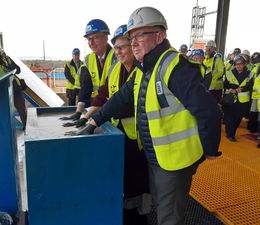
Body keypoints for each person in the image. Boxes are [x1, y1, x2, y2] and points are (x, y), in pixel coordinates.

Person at [73, 6, 221, 225]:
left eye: (140, 35)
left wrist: (209, 149)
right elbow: (120, 98)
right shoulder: (144, 69)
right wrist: (92, 121)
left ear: (159, 36)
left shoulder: (175, 67)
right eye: (131, 37)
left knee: (169, 216)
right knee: (161, 207)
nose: (133, 42)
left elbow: (208, 110)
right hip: (156, 155)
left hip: (175, 160)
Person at [64, 25, 150, 225]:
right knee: (125, 178)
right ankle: (126, 212)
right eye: (116, 47)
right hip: (119, 132)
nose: (118, 51)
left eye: (123, 47)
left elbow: (119, 102)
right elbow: (103, 95)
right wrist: (83, 117)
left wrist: (93, 121)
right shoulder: (116, 69)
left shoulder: (142, 70)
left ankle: (139, 217)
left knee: (139, 181)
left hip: (142, 136)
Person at [60, 19, 116, 121]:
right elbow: (85, 86)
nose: (91, 43)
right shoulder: (89, 59)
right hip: (97, 106)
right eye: (89, 39)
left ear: (106, 37)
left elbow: (107, 90)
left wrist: (86, 117)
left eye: (95, 38)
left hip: (114, 110)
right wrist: (78, 111)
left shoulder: (117, 57)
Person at [0, 41, 27, 130]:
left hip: (15, 88)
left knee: (22, 110)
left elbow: (18, 70)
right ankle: (6, 131)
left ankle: (26, 128)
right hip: (2, 91)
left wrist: (10, 68)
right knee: (5, 112)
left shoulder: (7, 59)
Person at [223, 55, 253, 142]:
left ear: (244, 64)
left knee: (238, 118)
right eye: (237, 64)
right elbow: (225, 84)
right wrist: (231, 89)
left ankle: (232, 132)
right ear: (234, 65)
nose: (239, 66)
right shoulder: (229, 73)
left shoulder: (250, 73)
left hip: (242, 101)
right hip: (231, 99)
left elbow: (250, 85)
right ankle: (230, 134)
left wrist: (242, 89)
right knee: (229, 117)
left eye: (241, 64)